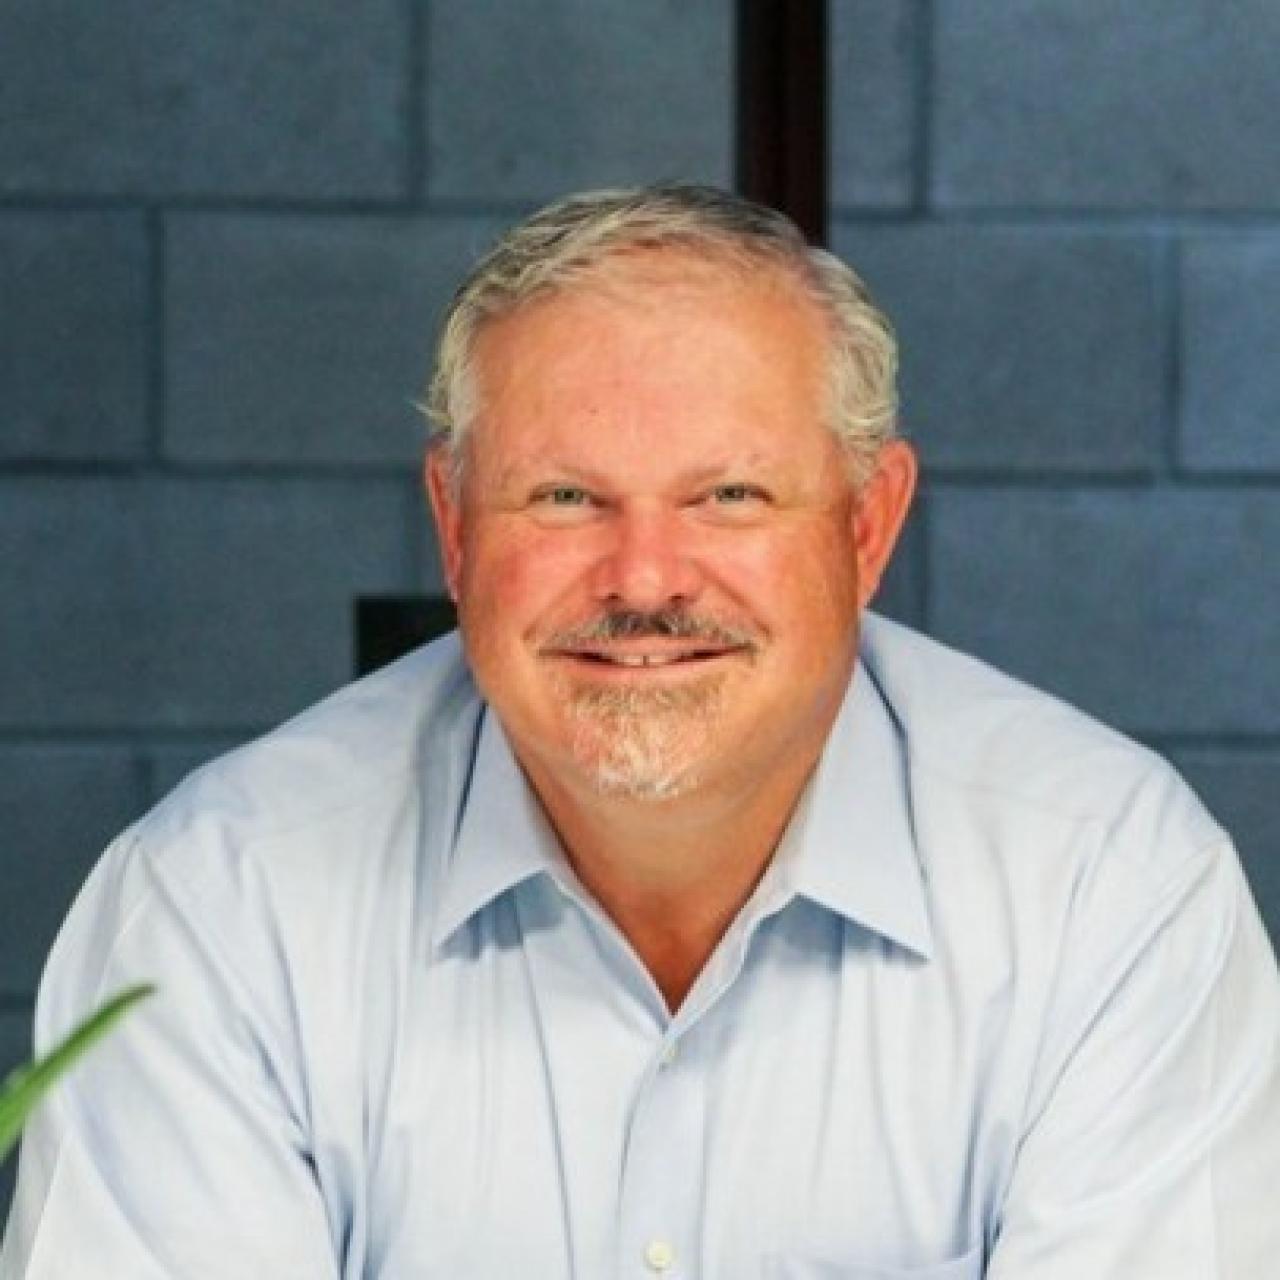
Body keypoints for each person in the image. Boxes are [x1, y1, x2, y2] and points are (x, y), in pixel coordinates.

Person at [3, 184, 1277, 1279]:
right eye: (564, 496)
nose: (646, 575)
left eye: (728, 495)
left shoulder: (1108, 889)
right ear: (453, 526)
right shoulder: (212, 912)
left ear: (865, 524)